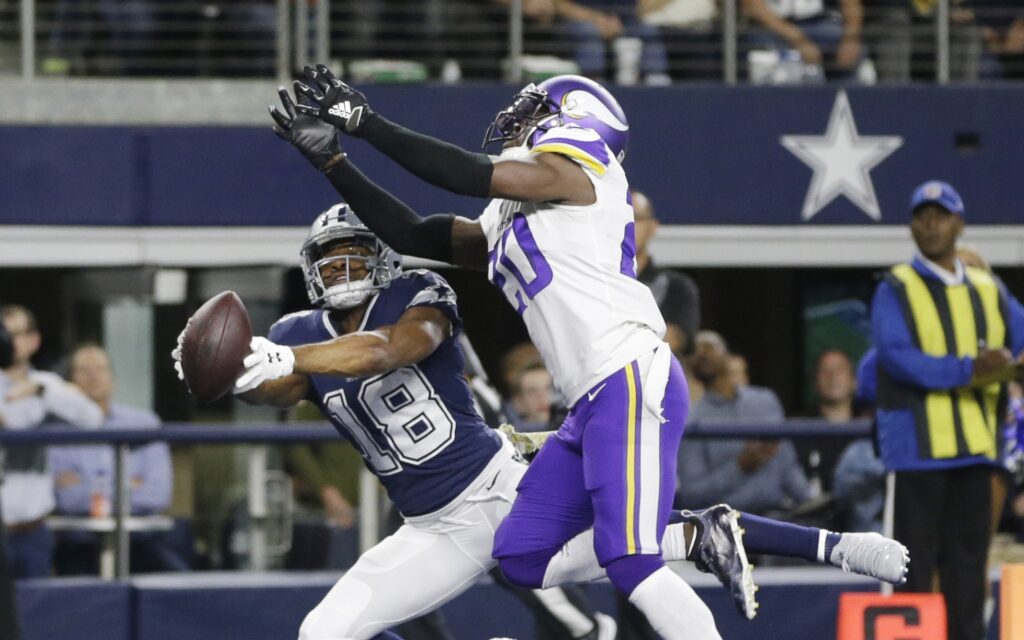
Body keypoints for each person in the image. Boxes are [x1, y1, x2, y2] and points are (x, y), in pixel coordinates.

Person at [268, 68, 909, 633]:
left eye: (537, 109)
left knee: (631, 563)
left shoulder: (584, 171)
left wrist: (368, 124)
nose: (519, 119)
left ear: (574, 121)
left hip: (626, 373)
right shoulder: (511, 214)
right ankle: (725, 535)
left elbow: (466, 173)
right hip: (590, 400)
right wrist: (334, 165)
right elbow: (411, 231)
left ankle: (742, 546)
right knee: (524, 554)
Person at [174, 205, 751, 638]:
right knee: (322, 633)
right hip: (430, 526)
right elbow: (279, 388)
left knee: (628, 563)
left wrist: (286, 356)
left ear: (380, 257)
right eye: (329, 257)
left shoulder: (418, 294)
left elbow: (387, 349)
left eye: (353, 252)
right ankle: (691, 534)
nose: (341, 267)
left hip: (502, 494)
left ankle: (695, 535)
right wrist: (231, 372)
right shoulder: (299, 334)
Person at [870, 180, 1024, 640]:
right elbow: (898, 358)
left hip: (977, 452)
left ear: (960, 224)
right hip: (916, 455)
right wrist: (970, 369)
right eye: (922, 215)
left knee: (967, 574)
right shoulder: (895, 285)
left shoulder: (987, 286)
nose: (930, 223)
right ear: (911, 225)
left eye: (941, 214)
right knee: (910, 570)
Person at [49, 343, 185, 574]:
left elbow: (158, 494)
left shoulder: (145, 424)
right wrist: (129, 484)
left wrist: (92, 489)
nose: (93, 377)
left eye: (100, 369)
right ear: (70, 382)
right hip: (80, 544)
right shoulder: (57, 430)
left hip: (141, 542)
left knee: (180, 586)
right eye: (84, 370)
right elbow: (67, 499)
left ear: (113, 378)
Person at [0, 305, 104, 578]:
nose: (9, 342)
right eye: (3, 334)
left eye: (16, 334)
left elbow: (92, 418)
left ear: (33, 340)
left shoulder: (45, 383)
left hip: (32, 532)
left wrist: (41, 392)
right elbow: (13, 421)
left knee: (35, 615)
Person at [678, 331, 812, 515]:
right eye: (696, 351)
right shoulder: (693, 422)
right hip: (725, 527)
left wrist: (811, 504)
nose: (702, 354)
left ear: (727, 355)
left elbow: (787, 464)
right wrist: (740, 466)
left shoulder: (765, 401)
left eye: (708, 347)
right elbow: (691, 495)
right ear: (690, 365)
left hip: (780, 518)